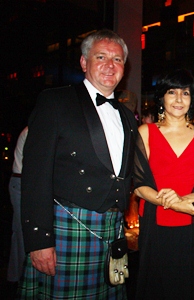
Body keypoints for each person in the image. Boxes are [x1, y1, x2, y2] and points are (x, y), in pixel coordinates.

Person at [19, 29, 137, 299]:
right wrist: (39, 241)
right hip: (68, 230)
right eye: (101, 57)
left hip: (112, 232)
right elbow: (35, 176)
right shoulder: (55, 102)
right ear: (84, 62)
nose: (110, 65)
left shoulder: (128, 117)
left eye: (117, 59)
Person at [133, 68, 194, 300]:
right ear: (162, 96)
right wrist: (170, 203)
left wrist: (183, 201)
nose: (179, 99)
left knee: (189, 286)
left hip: (193, 225)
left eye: (185, 93)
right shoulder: (146, 132)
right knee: (157, 287)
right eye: (172, 92)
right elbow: (139, 184)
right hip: (156, 224)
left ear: (192, 99)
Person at [7, 126, 28, 284]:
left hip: (20, 182)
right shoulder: (34, 130)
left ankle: (15, 277)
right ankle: (20, 278)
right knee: (23, 233)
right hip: (22, 182)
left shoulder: (32, 129)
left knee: (20, 232)